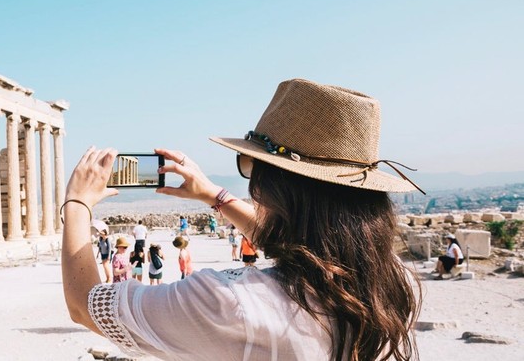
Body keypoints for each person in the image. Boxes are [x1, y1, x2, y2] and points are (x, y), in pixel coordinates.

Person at [61, 78, 424, 360]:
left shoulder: (228, 303)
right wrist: (214, 196)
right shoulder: (391, 283)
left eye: (251, 166)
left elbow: (84, 305)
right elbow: (304, 243)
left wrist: (77, 203)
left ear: (274, 187)